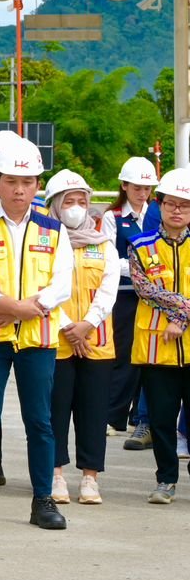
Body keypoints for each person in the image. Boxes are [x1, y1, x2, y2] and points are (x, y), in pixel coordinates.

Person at [0, 136, 70, 530]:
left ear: (38, 184)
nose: (19, 189)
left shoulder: (54, 231)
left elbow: (61, 286)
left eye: (28, 182)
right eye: (11, 182)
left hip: (37, 341)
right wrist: (17, 308)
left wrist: (19, 313)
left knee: (40, 421)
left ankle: (43, 501)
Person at [45, 168, 117, 506]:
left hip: (96, 342)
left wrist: (85, 325)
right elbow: (40, 287)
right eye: (68, 201)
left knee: (93, 411)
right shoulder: (43, 242)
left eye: (81, 201)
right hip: (55, 341)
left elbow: (108, 291)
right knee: (55, 410)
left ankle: (90, 479)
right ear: (55, 205)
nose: (75, 207)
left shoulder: (104, 245)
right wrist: (66, 326)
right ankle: (55, 474)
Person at [128, 166, 190, 504]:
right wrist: (181, 310)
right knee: (162, 419)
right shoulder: (140, 245)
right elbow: (144, 288)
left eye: (185, 204)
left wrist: (180, 316)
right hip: (157, 346)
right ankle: (166, 479)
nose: (177, 210)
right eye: (171, 204)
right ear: (160, 205)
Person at [110, 156, 160, 446]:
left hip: (154, 298)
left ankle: (138, 418)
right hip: (125, 294)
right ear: (124, 185)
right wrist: (140, 270)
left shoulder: (157, 214)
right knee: (125, 357)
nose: (143, 193)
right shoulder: (113, 217)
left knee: (149, 359)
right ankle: (113, 415)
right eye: (137, 187)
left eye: (147, 188)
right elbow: (108, 259)